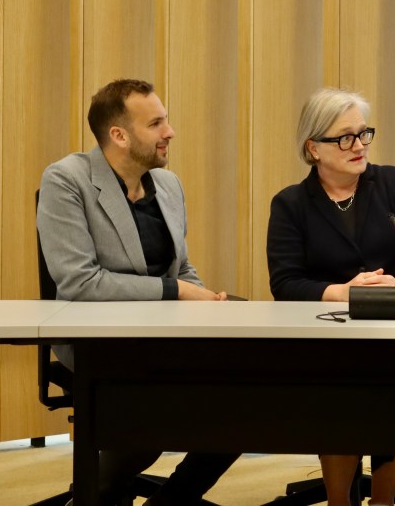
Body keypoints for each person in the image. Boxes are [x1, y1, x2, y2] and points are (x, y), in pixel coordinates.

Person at [37, 78, 238, 505]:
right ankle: (100, 492)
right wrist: (177, 292)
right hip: (96, 340)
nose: (170, 132)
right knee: (154, 410)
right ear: (119, 135)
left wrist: (205, 300)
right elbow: (79, 281)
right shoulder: (66, 179)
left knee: (244, 403)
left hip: (165, 336)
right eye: (157, 123)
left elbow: (181, 267)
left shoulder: (168, 185)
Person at [267, 87, 395, 506]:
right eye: (345, 137)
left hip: (394, 330)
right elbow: (286, 283)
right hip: (326, 339)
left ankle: (384, 500)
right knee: (339, 394)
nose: (359, 145)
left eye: (364, 134)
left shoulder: (393, 184)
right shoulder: (291, 204)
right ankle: (339, 501)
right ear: (314, 148)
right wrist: (344, 293)